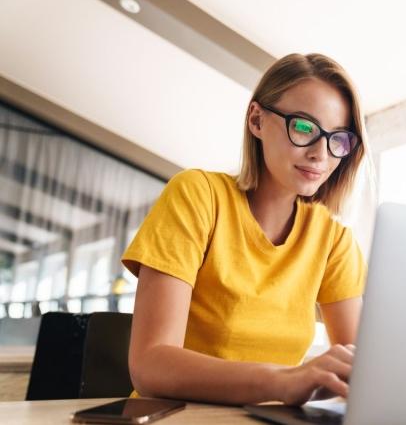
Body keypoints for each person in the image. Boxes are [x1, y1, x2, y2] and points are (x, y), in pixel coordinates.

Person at [121, 53, 370, 406]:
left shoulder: (333, 238)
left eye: (338, 139)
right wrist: (283, 381)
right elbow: (149, 366)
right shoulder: (198, 195)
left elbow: (362, 368)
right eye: (303, 127)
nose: (321, 154)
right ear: (256, 119)